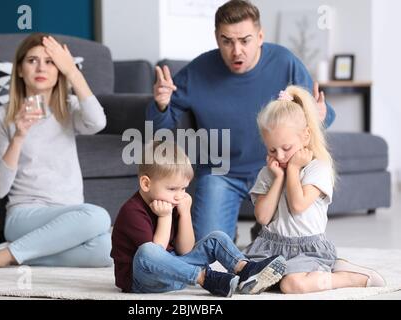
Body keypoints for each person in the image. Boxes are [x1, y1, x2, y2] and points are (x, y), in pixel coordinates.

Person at [146, 0, 336, 242]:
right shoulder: (197, 71)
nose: (237, 51)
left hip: (278, 168)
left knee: (287, 242)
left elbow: (318, 117)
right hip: (222, 173)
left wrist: (320, 115)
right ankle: (234, 231)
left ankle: (265, 233)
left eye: (245, 40)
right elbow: (159, 131)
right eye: (227, 41)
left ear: (259, 36)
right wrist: (161, 104)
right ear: (217, 38)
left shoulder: (285, 62)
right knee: (210, 247)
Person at [0, 33, 112, 271]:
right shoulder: (2, 116)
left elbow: (98, 122)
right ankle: (2, 256)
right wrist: (19, 136)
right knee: (99, 217)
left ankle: (5, 253)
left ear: (59, 71)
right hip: (24, 216)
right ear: (19, 70)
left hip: (68, 213)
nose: (41, 67)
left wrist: (73, 72)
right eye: (32, 60)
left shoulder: (69, 111)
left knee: (105, 251)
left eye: (50, 62)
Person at [243, 85, 385, 293]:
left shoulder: (318, 168)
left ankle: (347, 278)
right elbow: (263, 218)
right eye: (272, 149)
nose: (280, 156)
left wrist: (292, 169)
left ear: (306, 136)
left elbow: (298, 205)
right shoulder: (269, 172)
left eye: (287, 148)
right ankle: (332, 267)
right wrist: (279, 178)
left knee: (292, 285)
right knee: (241, 275)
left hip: (307, 250)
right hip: (270, 245)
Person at [110, 141, 287, 297]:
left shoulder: (173, 202)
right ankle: (205, 278)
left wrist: (185, 213)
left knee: (217, 237)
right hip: (144, 280)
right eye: (172, 189)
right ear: (146, 184)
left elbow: (185, 249)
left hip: (177, 272)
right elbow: (156, 255)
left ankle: (245, 270)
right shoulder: (132, 212)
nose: (179, 195)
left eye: (183, 189)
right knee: (147, 251)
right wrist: (165, 217)